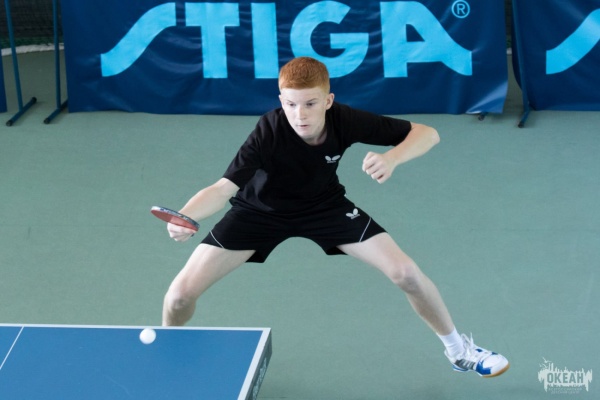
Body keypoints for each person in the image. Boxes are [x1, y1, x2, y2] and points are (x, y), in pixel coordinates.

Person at [161, 56, 509, 377]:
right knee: (179, 297)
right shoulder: (268, 131)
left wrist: (392, 158)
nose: (300, 114)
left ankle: (459, 351)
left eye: (310, 103)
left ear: (328, 101)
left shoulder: (344, 120)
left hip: (324, 207)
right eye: (290, 104)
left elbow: (427, 134)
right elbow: (222, 188)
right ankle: (170, 353)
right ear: (281, 100)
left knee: (405, 273)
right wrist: (185, 216)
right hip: (258, 213)